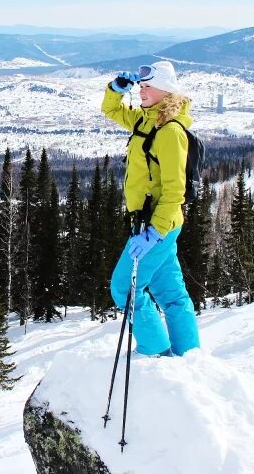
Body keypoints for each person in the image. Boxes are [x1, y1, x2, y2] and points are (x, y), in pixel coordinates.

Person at [100, 61, 200, 357]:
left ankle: (155, 351)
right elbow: (112, 110)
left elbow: (174, 190)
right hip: (152, 225)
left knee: (125, 289)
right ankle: (189, 354)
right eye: (140, 86)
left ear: (166, 90)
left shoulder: (170, 131)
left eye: (148, 87)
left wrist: (155, 231)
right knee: (171, 294)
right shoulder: (146, 121)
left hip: (157, 226)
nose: (142, 91)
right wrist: (115, 90)